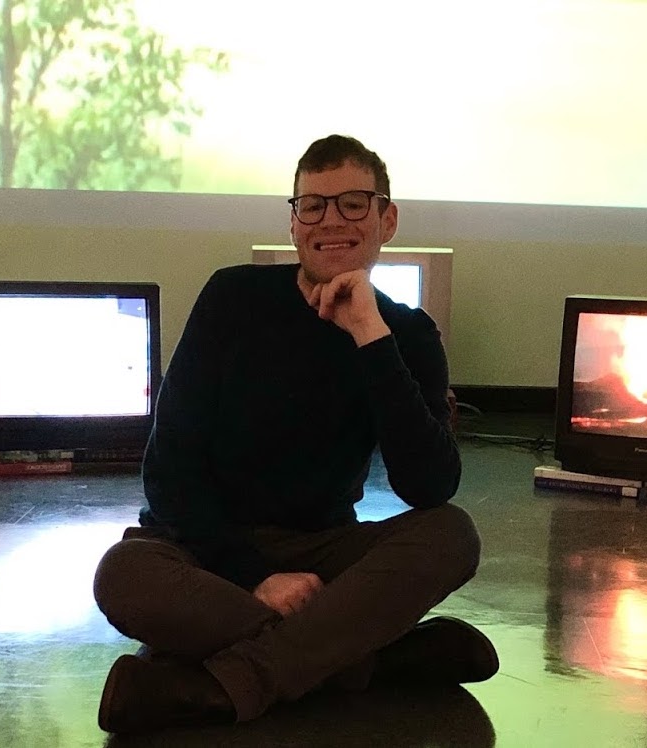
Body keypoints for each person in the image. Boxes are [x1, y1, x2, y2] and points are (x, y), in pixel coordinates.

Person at [92, 134, 497, 735]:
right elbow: (169, 468)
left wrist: (370, 335)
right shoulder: (232, 297)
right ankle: (368, 658)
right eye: (313, 205)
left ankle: (223, 687)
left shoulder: (406, 334)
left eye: (353, 203)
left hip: (323, 548)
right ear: (293, 222)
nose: (331, 220)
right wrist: (255, 575)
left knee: (452, 536)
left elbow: (429, 486)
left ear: (387, 218)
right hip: (204, 548)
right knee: (123, 576)